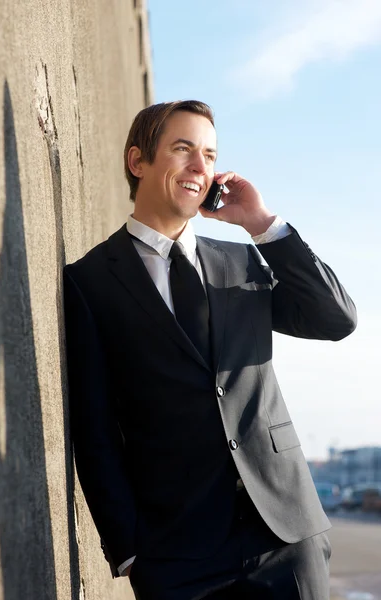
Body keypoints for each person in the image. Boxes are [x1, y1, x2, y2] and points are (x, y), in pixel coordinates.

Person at [63, 100, 356, 600]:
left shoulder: (243, 261)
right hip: (179, 555)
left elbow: (336, 318)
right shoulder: (90, 281)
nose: (201, 166)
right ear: (139, 162)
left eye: (210, 154)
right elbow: (94, 429)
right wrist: (130, 550)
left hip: (286, 535)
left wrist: (261, 223)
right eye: (183, 149)